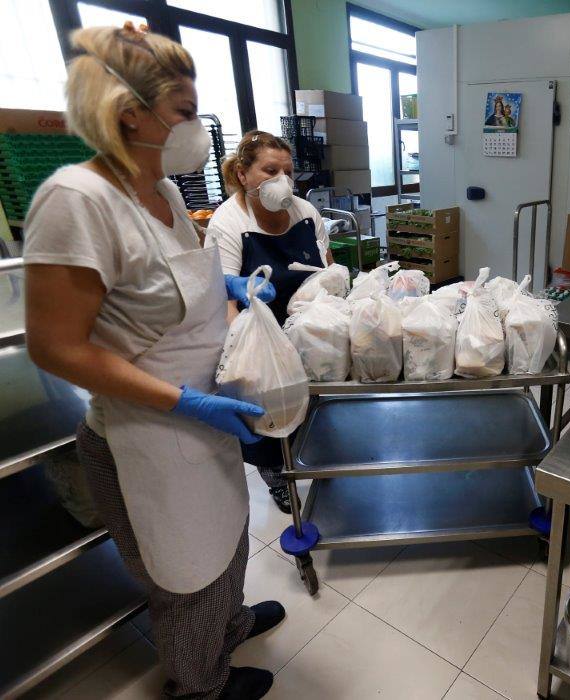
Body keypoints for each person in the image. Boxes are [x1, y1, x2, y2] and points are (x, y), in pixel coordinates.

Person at [23, 24, 285, 699]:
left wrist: (223, 288)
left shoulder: (163, 189)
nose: (199, 131)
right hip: (147, 432)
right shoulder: (76, 201)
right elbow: (56, 345)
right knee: (183, 566)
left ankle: (229, 622)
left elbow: (165, 284)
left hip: (203, 413)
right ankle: (199, 682)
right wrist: (186, 403)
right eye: (187, 114)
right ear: (128, 113)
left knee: (227, 530)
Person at [204, 131, 332, 513]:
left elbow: (326, 273)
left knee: (313, 408)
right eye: (270, 170)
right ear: (243, 174)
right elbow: (223, 297)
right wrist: (245, 357)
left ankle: (319, 459)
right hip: (257, 332)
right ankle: (276, 478)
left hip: (308, 328)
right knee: (269, 415)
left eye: (288, 172)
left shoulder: (304, 213)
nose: (283, 181)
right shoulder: (228, 223)